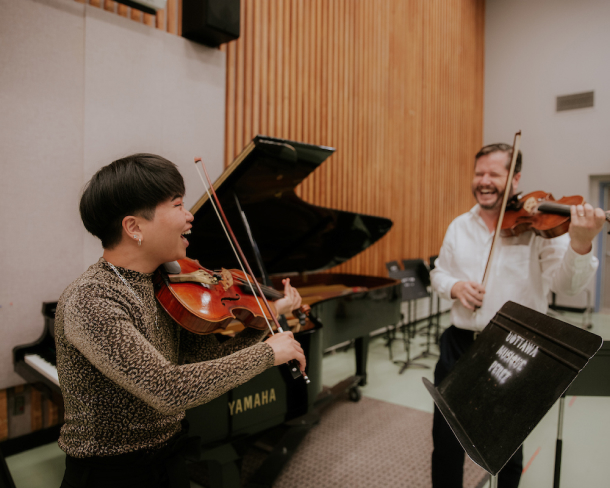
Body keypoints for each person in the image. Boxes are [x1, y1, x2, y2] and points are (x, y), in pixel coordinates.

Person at [55, 153, 306, 488]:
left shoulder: (169, 286)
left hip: (169, 456)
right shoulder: (92, 299)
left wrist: (265, 320)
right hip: (111, 472)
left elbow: (206, 362)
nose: (190, 217)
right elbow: (168, 389)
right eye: (177, 205)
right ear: (134, 227)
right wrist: (267, 354)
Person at [429, 143, 607, 488]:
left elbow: (566, 285)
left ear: (515, 179)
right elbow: (438, 273)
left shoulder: (539, 225)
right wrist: (454, 287)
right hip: (460, 343)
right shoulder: (458, 226)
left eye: (494, 174)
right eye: (479, 173)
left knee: (505, 448)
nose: (484, 181)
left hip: (514, 350)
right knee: (446, 441)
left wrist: (581, 244)